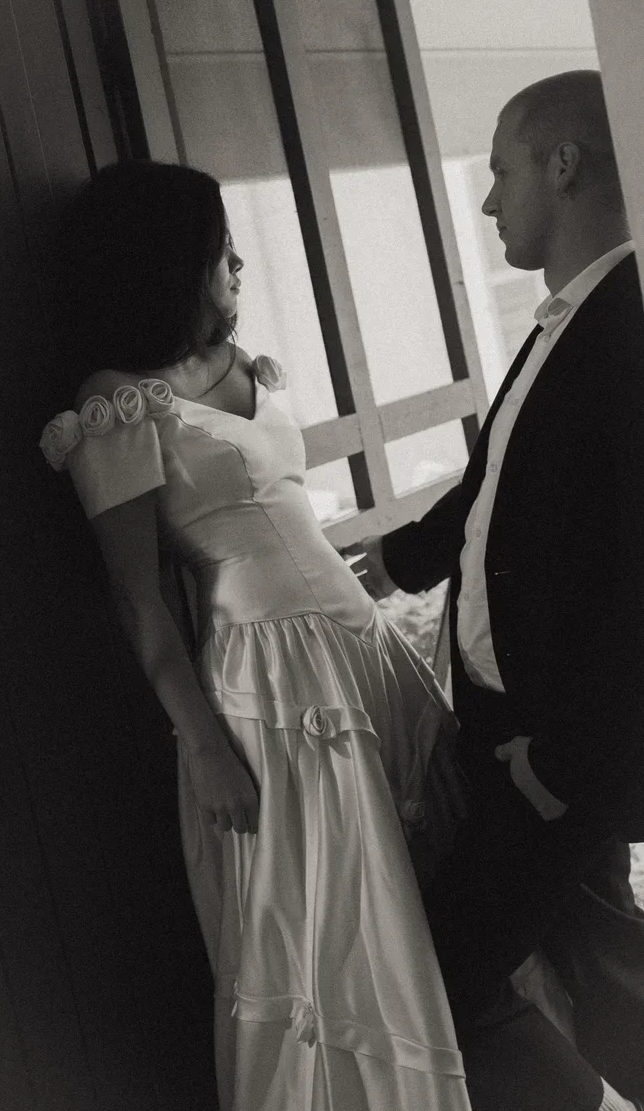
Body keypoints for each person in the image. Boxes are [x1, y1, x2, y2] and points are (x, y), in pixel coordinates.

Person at [39, 160, 472, 1111]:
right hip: (268, 687)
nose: (235, 261)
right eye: (215, 245)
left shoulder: (241, 363)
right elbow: (138, 599)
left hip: (362, 653)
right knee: (342, 941)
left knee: (459, 898)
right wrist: (204, 746)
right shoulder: (118, 399)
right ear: (164, 260)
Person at [349, 71, 644, 1111]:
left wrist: (560, 761)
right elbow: (495, 488)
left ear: (564, 166)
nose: (487, 201)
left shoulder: (628, 326)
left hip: (554, 749)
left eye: (500, 172)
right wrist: (395, 559)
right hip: (508, 730)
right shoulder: (565, 317)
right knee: (605, 960)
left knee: (446, 983)